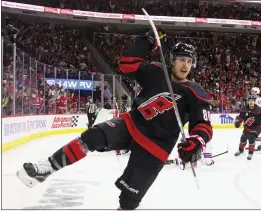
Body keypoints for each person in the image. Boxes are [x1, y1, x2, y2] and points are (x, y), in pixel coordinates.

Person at [16, 29, 213, 210]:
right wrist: (147, 41)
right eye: (181, 59)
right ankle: (47, 167)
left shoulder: (195, 92)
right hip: (132, 124)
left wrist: (197, 142)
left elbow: (203, 124)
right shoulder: (157, 71)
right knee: (92, 137)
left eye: (188, 61)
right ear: (172, 60)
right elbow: (126, 64)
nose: (185, 65)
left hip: (156, 147)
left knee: (128, 201)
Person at [234, 95, 261, 160]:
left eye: (252, 101)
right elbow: (240, 117)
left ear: (254, 102)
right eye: (249, 101)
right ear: (247, 102)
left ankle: (250, 153)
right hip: (247, 127)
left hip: (257, 127)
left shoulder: (259, 110)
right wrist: (237, 122)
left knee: (252, 137)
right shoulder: (244, 109)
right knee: (243, 139)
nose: (251, 102)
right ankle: (241, 150)